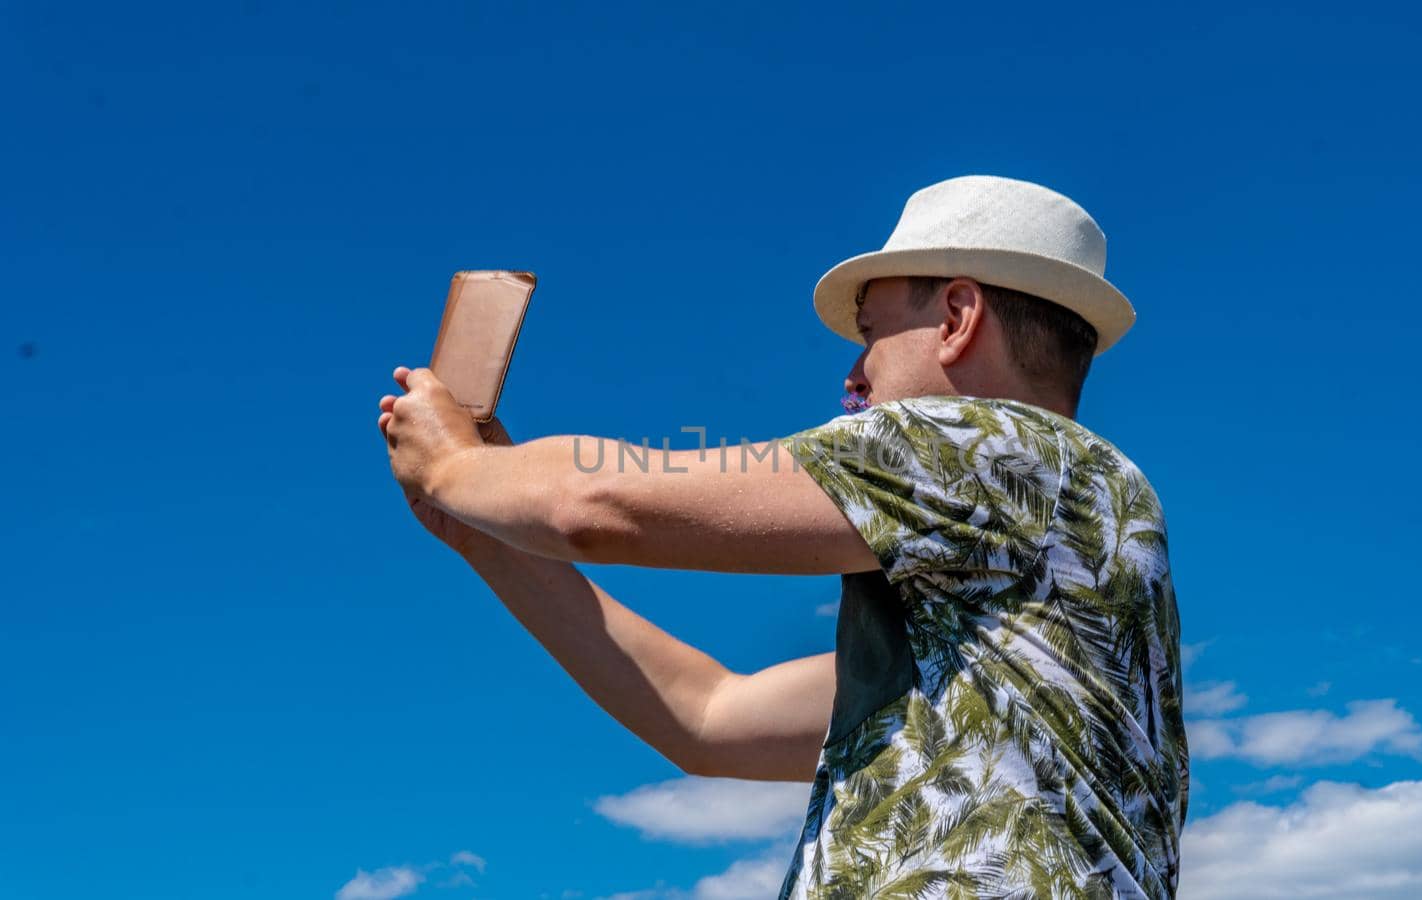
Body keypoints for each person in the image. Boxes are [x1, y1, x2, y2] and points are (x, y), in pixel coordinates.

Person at [377, 175, 1188, 898]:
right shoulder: (1015, 600)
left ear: (956, 319)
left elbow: (593, 503)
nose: (852, 377)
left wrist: (455, 466)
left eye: (870, 335)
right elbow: (706, 717)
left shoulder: (999, 448)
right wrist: (488, 535)